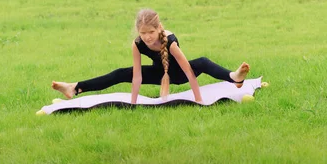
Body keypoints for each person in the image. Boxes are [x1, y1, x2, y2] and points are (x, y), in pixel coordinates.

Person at [52, 8, 250, 104]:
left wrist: (199, 101)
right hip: (158, 74)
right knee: (121, 73)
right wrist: (133, 103)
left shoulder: (170, 42)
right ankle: (75, 87)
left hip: (180, 74)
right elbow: (137, 76)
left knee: (203, 62)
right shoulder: (137, 44)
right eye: (143, 33)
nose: (146, 37)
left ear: (159, 28)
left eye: (150, 33)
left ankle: (234, 78)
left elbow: (189, 73)